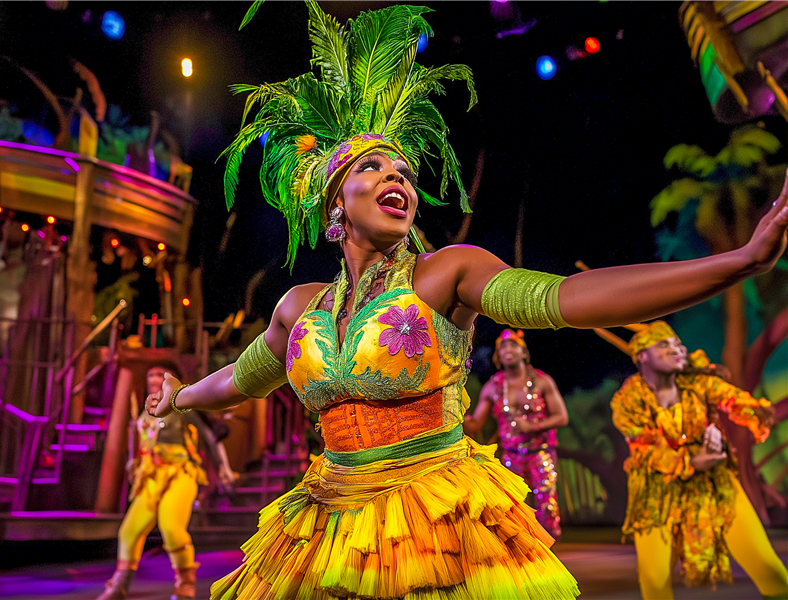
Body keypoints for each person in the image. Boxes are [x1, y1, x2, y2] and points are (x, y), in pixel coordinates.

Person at [146, 3, 788, 599]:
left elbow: (565, 296)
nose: (397, 177)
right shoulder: (298, 306)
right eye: (373, 168)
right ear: (335, 202)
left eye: (404, 172)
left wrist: (737, 261)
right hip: (327, 521)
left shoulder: (445, 274)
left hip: (434, 520)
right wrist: (179, 397)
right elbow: (240, 380)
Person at [610, 321, 788, 600]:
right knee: (654, 579)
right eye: (664, 344)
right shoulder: (628, 399)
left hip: (714, 484)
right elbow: (644, 448)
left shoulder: (698, 383)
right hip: (657, 491)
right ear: (642, 356)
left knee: (767, 566)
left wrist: (756, 413)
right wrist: (691, 462)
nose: (677, 349)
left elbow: (732, 398)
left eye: (678, 344)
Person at [97, 360, 237, 600]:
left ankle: (185, 584)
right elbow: (139, 441)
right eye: (151, 374)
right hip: (151, 475)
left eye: (160, 374)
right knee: (129, 530)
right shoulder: (144, 412)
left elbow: (209, 436)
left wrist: (224, 467)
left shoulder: (182, 406)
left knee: (172, 528)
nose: (154, 379)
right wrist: (133, 462)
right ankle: (118, 586)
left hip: (180, 473)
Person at [465, 329, 568, 538]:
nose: (508, 350)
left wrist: (533, 427)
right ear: (497, 356)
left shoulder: (542, 381)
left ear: (524, 352)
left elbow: (562, 417)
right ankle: (522, 551)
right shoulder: (492, 387)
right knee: (513, 509)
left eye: (513, 345)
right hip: (511, 456)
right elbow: (475, 425)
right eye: (502, 347)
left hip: (541, 454)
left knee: (547, 508)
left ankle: (550, 548)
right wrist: (458, 413)